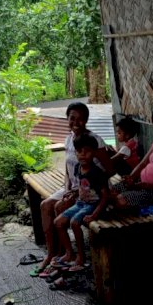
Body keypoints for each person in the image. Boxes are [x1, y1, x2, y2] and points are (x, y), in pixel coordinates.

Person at [36, 102, 113, 275]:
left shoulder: (94, 140)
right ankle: (52, 254)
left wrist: (90, 186)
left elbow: (110, 169)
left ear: (86, 120)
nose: (76, 122)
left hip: (90, 191)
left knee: (58, 207)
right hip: (72, 187)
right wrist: (67, 187)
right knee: (45, 205)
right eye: (72, 118)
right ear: (67, 118)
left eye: (80, 119)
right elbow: (67, 167)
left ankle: (70, 254)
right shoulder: (69, 137)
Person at [53, 134, 110, 273]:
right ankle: (69, 253)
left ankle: (81, 256)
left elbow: (105, 196)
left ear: (94, 153)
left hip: (93, 205)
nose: (83, 155)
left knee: (74, 223)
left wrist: (94, 215)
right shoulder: (78, 167)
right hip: (80, 203)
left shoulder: (97, 173)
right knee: (58, 222)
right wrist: (74, 193)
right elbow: (82, 187)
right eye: (79, 151)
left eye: (87, 151)